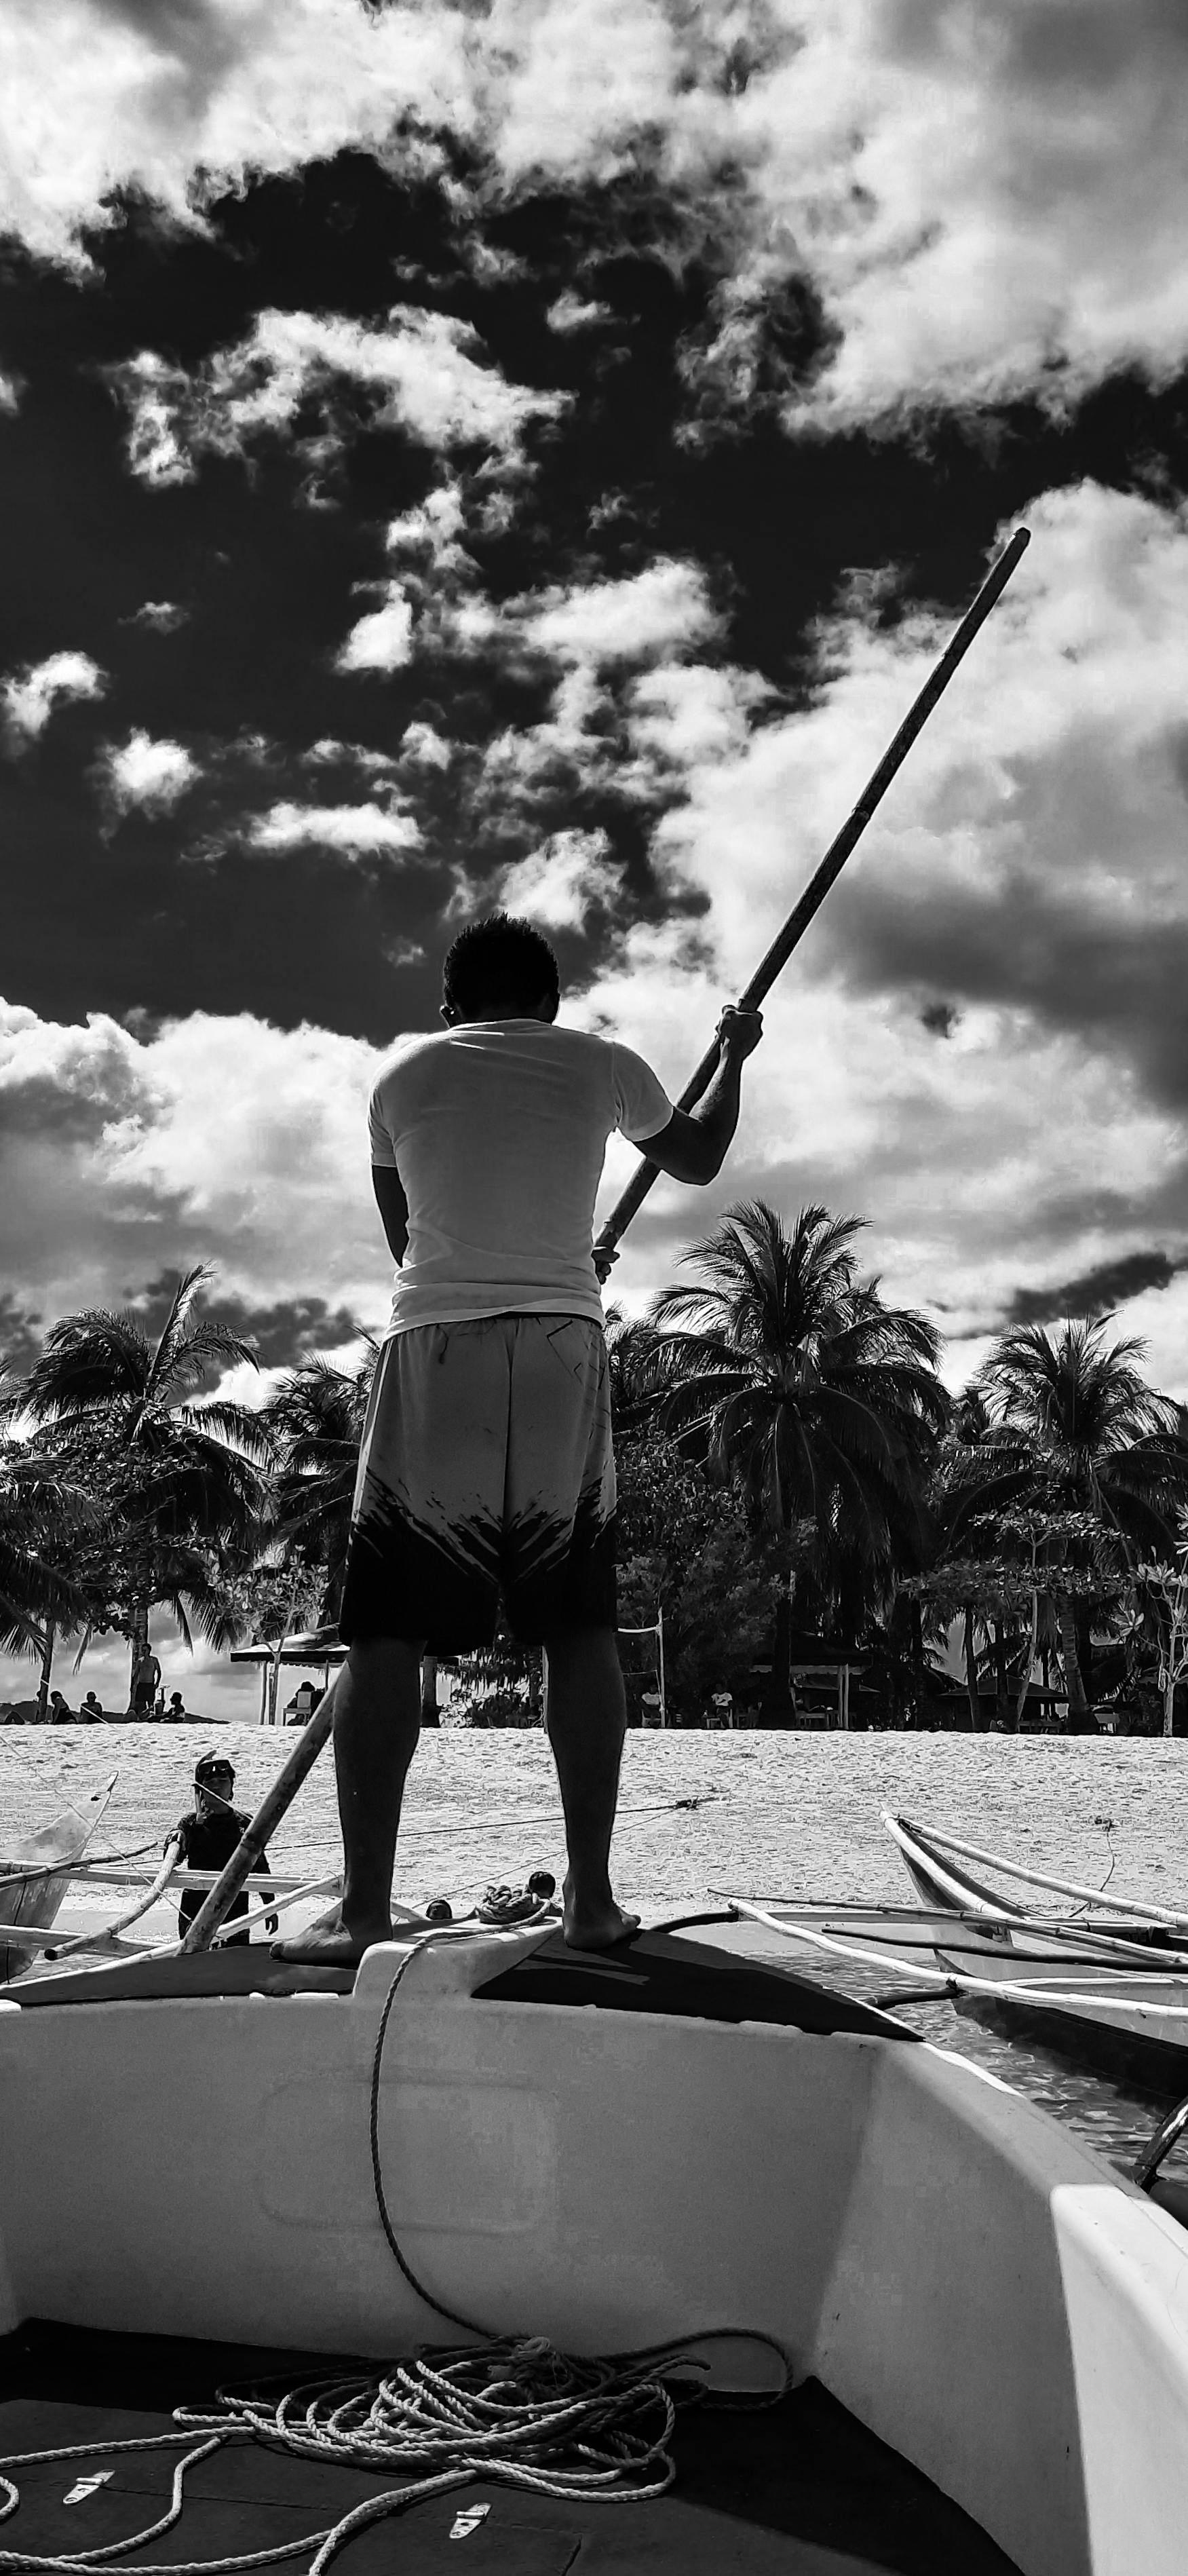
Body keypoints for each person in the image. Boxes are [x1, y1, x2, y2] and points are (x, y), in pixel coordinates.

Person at [273, 911, 761, 1969]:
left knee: (386, 1637)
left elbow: (412, 1242)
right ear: (550, 1000)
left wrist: (527, 1255)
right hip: (559, 1344)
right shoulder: (601, 1063)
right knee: (574, 1624)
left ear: (449, 1006)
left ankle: (365, 1914)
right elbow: (698, 1156)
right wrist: (732, 1055)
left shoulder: (398, 1080)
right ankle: (590, 1903)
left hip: (434, 1341)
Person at [170, 1754, 277, 1946]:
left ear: (231, 1787)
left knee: (233, 1960)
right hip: (195, 1910)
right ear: (201, 1790)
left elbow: (260, 1866)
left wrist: (270, 1906)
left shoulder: (245, 1823)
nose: (216, 1786)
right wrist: (175, 1839)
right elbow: (172, 1861)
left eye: (222, 1781)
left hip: (234, 1909)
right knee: (193, 1960)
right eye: (210, 1782)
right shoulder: (191, 1823)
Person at [130, 1646, 161, 1718]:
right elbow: (136, 1674)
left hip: (150, 1684)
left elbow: (159, 1672)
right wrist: (132, 1685)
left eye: (145, 1650)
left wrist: (157, 1683)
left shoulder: (154, 1660)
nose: (143, 1652)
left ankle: (151, 1716)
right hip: (141, 1684)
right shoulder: (140, 1661)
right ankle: (141, 1717)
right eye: (143, 1650)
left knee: (150, 1702)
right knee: (140, 1703)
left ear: (149, 1651)